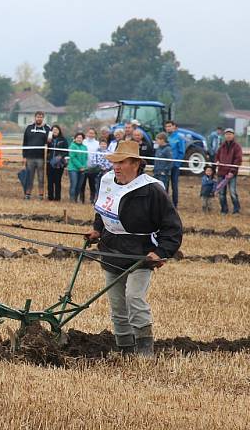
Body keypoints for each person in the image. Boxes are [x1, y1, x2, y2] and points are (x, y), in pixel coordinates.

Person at [87, 140, 183, 357]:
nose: (116, 167)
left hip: (140, 254)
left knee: (134, 298)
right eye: (114, 162)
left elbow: (173, 227)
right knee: (117, 305)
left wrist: (161, 252)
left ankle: (145, 349)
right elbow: (105, 209)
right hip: (111, 250)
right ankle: (125, 349)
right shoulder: (108, 181)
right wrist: (97, 230)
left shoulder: (152, 190)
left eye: (121, 162)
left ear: (136, 164)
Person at [21, 111, 52, 200]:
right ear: (35, 117)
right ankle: (27, 194)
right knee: (29, 177)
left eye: (41, 117)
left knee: (41, 177)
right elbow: (25, 142)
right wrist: (24, 156)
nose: (39, 118)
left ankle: (41, 195)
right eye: (38, 117)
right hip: (30, 157)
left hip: (41, 158)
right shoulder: (29, 128)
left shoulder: (47, 128)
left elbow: (49, 142)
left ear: (43, 118)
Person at [214, 127, 242, 214]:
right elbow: (216, 156)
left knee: (233, 192)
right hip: (221, 172)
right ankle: (224, 210)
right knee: (221, 193)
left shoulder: (237, 147)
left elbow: (238, 160)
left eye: (230, 134)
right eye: (226, 134)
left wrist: (232, 171)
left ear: (233, 135)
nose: (228, 136)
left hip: (231, 174)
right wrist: (217, 161)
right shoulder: (221, 146)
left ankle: (236, 210)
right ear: (224, 135)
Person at [164, 120, 185, 207]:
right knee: (165, 184)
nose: (168, 128)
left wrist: (177, 164)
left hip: (174, 166)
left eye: (170, 126)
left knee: (174, 185)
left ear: (174, 127)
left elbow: (181, 152)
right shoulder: (165, 137)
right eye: (167, 126)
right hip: (165, 165)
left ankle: (175, 204)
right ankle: (165, 203)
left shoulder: (179, 137)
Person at [47, 125, 68, 201]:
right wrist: (48, 142)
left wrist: (60, 156)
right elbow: (46, 150)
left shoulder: (63, 140)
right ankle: (50, 197)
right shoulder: (49, 140)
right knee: (50, 181)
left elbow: (66, 151)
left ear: (59, 131)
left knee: (57, 181)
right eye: (53, 130)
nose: (55, 131)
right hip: (49, 163)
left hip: (59, 164)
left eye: (56, 130)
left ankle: (57, 198)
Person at [67, 132, 88, 203]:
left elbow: (86, 158)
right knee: (74, 184)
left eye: (81, 138)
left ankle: (76, 198)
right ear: (75, 138)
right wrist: (80, 166)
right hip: (73, 169)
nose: (79, 139)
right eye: (78, 138)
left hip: (83, 169)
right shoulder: (72, 146)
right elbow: (73, 158)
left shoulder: (85, 147)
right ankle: (72, 199)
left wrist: (84, 167)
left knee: (79, 185)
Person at [82, 128, 100, 203]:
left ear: (95, 134)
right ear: (87, 133)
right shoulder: (83, 142)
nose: (91, 134)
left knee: (92, 185)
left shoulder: (97, 143)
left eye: (92, 133)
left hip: (93, 168)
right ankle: (81, 199)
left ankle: (92, 199)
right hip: (83, 167)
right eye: (90, 133)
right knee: (82, 184)